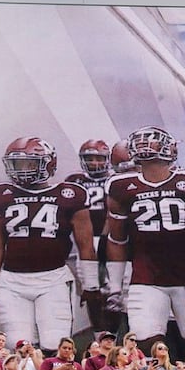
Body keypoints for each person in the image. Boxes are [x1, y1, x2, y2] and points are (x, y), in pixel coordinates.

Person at [0, 137, 101, 351]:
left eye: (28, 163)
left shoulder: (70, 194)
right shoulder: (0, 195)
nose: (21, 170)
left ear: (48, 163)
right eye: (17, 164)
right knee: (18, 347)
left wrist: (91, 285)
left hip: (53, 278)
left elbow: (85, 246)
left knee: (55, 345)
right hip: (12, 281)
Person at [105, 126, 185, 353]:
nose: (148, 146)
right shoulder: (119, 186)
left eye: (154, 142)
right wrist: (115, 286)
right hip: (146, 278)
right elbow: (117, 239)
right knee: (146, 340)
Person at [65, 139, 114, 326]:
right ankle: (99, 334)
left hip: (111, 240)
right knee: (90, 289)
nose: (94, 163)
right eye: (90, 158)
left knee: (114, 290)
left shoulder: (114, 179)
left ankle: (116, 332)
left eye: (99, 158)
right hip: (84, 242)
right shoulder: (74, 181)